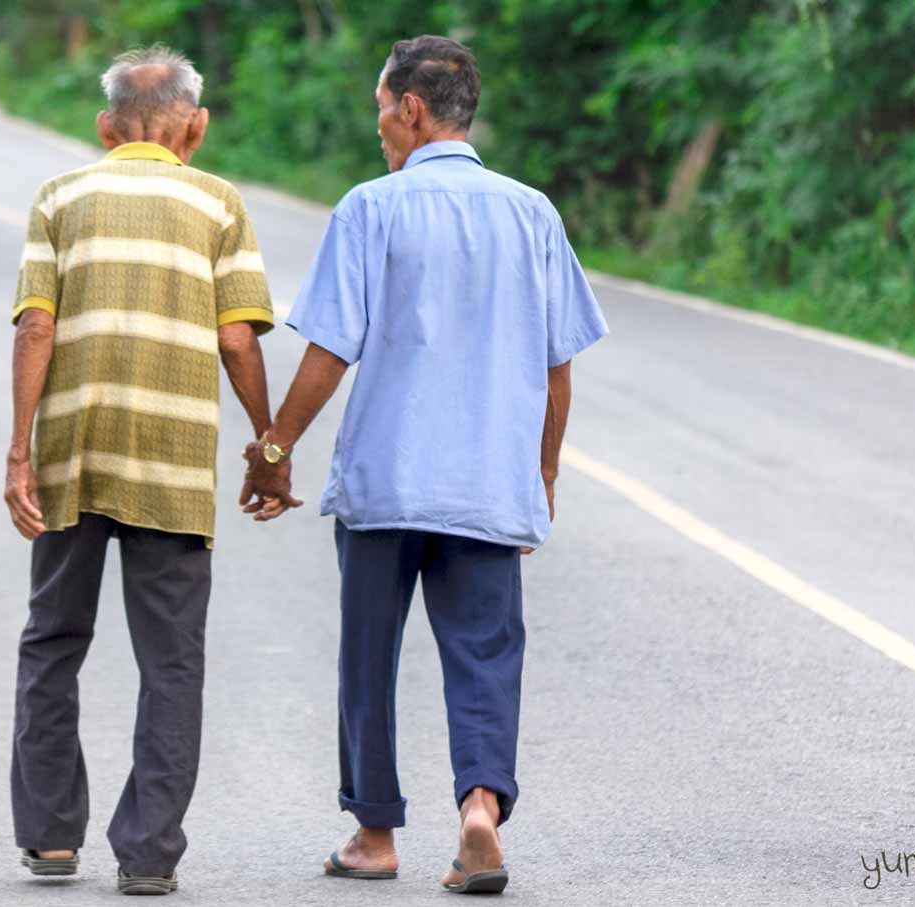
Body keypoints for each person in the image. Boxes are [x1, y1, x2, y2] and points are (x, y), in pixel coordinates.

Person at [241, 35, 608, 895]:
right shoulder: (533, 214)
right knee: (485, 651)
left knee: (368, 654)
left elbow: (331, 349)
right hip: (486, 481)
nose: (378, 132)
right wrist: (542, 473)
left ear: (410, 109)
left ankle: (374, 833)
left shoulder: (373, 209)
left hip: (388, 480)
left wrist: (274, 448)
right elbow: (559, 368)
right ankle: (480, 806)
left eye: (381, 114)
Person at [3, 45, 277, 896]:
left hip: (73, 458)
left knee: (54, 638)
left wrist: (21, 450)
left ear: (105, 126)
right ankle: (149, 852)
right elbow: (237, 337)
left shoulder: (60, 196)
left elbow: (35, 328)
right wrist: (269, 444)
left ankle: (51, 838)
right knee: (172, 660)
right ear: (195, 125)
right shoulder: (219, 203)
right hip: (171, 460)